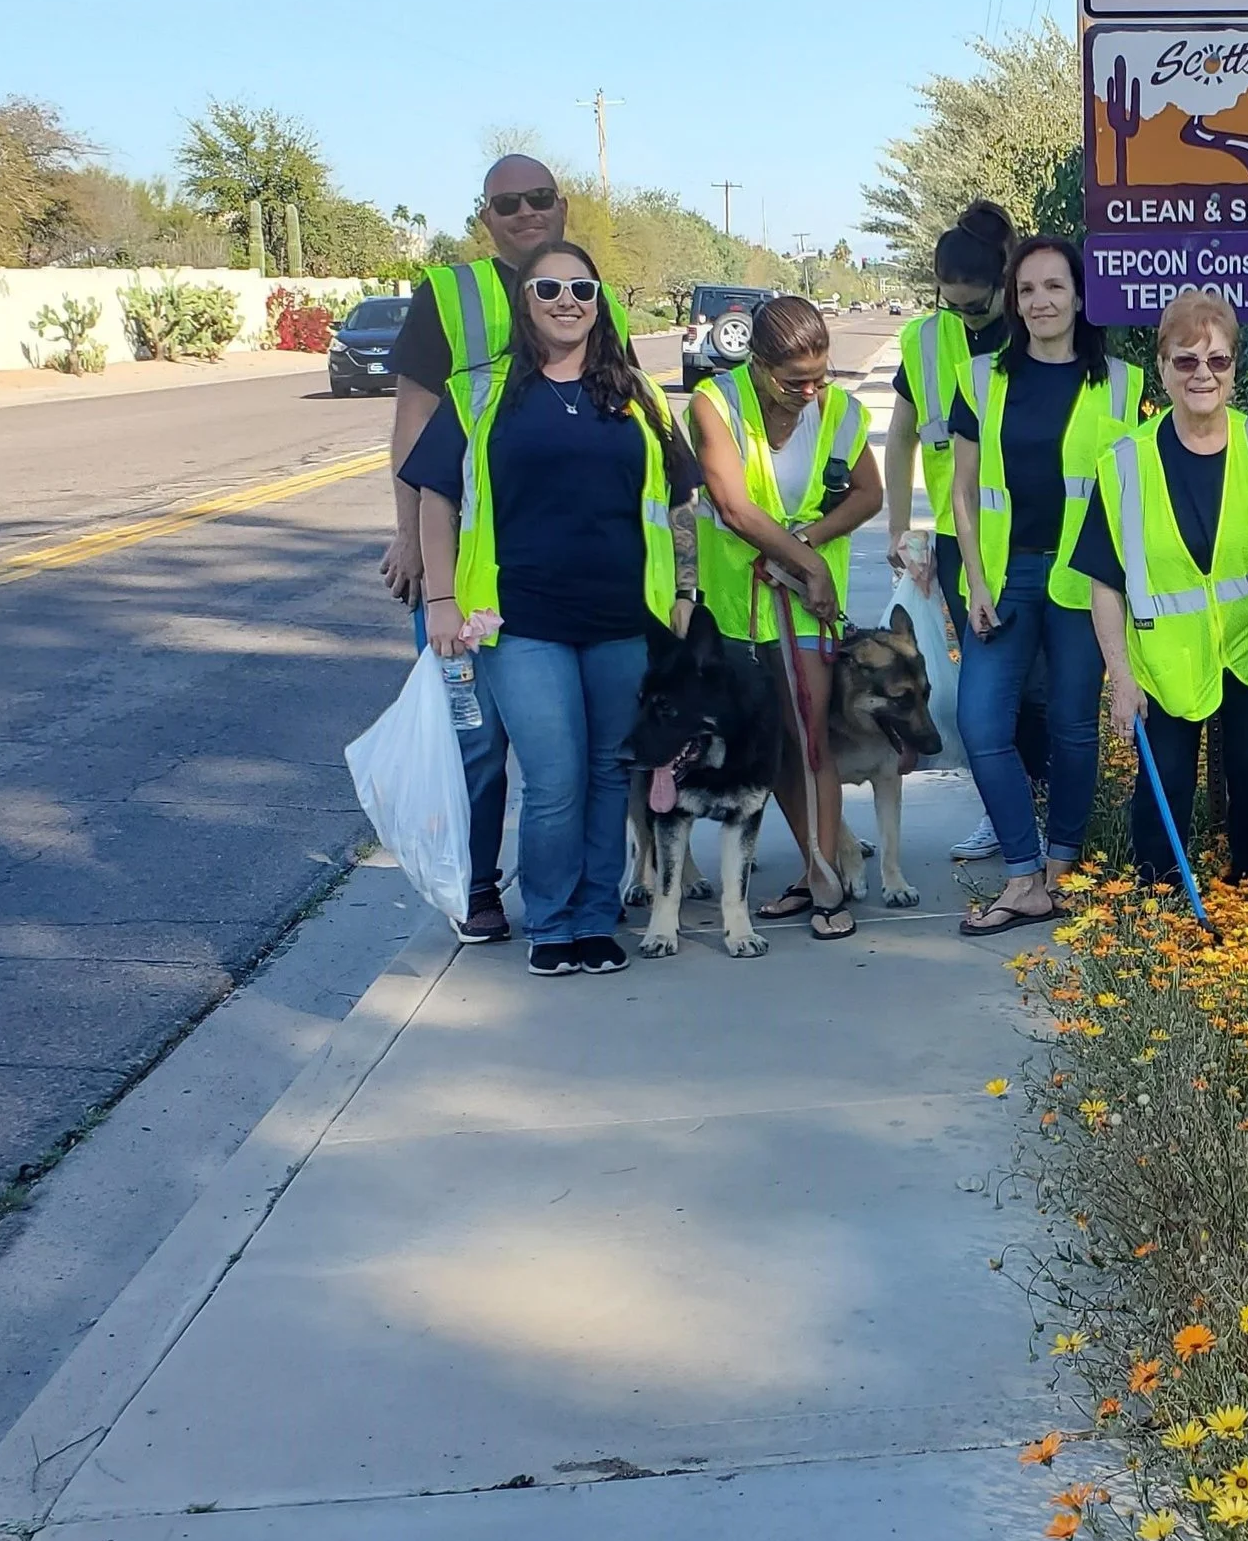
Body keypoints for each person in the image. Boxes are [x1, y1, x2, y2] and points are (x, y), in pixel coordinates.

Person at [402, 240, 693, 978]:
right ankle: (552, 921)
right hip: (521, 622)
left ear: (600, 303)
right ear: (524, 305)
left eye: (582, 290)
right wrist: (441, 599)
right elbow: (438, 501)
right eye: (549, 289)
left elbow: (680, 506)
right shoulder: (480, 393)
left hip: (623, 621)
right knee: (554, 777)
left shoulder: (641, 397)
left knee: (606, 775)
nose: (568, 302)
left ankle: (597, 922)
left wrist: (685, 593)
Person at [378, 153, 632, 945]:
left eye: (539, 199)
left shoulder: (593, 292)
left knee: (581, 761)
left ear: (563, 205)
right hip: (472, 575)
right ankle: (478, 886)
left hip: (573, 584)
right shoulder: (447, 295)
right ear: (485, 217)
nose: (525, 213)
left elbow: (616, 406)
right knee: (477, 741)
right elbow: (415, 424)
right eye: (506, 203)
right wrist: (412, 540)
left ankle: (578, 896)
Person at [1081, 290, 1248, 893]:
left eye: (1218, 361)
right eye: (1186, 360)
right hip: (1168, 658)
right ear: (1161, 366)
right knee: (1163, 779)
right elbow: (1105, 584)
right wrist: (1120, 677)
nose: (1203, 374)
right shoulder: (1124, 464)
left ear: (1235, 368)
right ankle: (1160, 899)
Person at [948, 237, 1139, 934]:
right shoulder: (980, 378)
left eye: (1055, 287)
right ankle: (1022, 874)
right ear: (1014, 300)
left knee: (1071, 727)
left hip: (1086, 581)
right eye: (1027, 290)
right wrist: (972, 581)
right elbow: (963, 493)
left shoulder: (1124, 383)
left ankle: (1061, 870)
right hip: (1004, 576)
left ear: (1080, 296)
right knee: (981, 724)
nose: (1041, 302)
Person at [691, 294, 882, 941]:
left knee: (811, 738)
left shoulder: (839, 411)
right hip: (740, 606)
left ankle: (830, 884)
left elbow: (869, 493)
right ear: (759, 364)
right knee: (772, 750)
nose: (809, 390)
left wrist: (814, 544)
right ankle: (811, 865)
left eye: (820, 375)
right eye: (795, 379)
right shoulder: (715, 404)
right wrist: (812, 563)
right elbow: (735, 507)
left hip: (804, 608)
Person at [880, 200, 1044, 863]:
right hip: (962, 540)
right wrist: (899, 528)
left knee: (1042, 690)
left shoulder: (1038, 325)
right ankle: (1001, 811)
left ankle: (1048, 806)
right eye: (952, 305)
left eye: (975, 306)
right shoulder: (926, 340)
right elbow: (899, 438)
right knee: (985, 692)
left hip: (1041, 535)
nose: (965, 316)